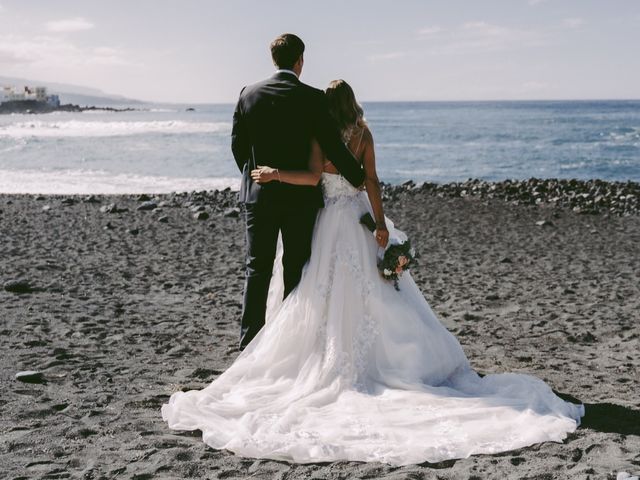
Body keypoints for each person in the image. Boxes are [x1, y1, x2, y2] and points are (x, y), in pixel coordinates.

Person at [161, 78, 585, 466]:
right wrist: (381, 225)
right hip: (358, 219)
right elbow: (372, 182)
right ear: (354, 103)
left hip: (329, 222)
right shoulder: (363, 134)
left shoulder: (319, 136)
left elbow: (311, 179)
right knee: (376, 293)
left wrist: (274, 175)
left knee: (320, 288)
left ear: (328, 105)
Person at [231, 33, 366, 350]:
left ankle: (249, 344)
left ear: (274, 59)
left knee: (258, 267)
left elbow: (238, 145)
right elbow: (332, 144)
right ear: (300, 61)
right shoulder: (313, 98)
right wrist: (356, 174)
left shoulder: (247, 94)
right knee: (296, 267)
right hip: (300, 199)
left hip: (259, 195)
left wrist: (254, 177)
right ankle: (290, 343)